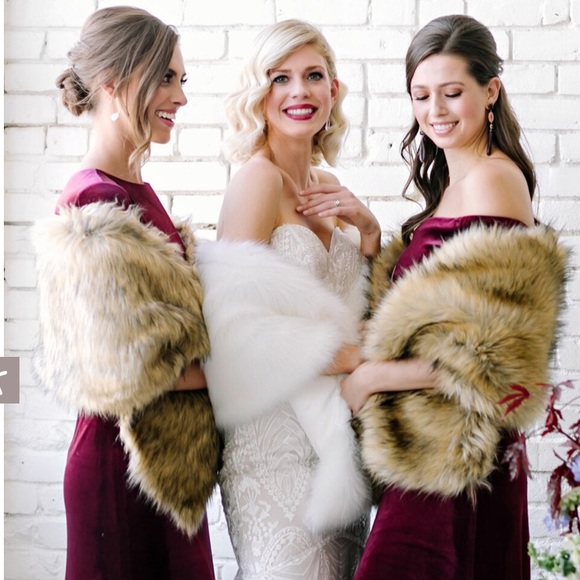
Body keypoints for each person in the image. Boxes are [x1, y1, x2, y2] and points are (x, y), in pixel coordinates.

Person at [339, 14, 569, 580]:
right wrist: (371, 242)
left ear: (490, 92)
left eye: (451, 92)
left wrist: (371, 378)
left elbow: (500, 358)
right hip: (434, 451)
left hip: (461, 454)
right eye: (421, 95)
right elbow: (422, 323)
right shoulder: (454, 186)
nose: (435, 110)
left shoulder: (493, 180)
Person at [31, 7, 220, 579]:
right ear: (114, 83)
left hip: (161, 470)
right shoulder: (94, 202)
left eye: (181, 79)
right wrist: (259, 370)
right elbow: (126, 369)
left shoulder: (135, 191)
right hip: (122, 468)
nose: (180, 96)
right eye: (165, 78)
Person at [195, 19, 380, 579]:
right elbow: (232, 335)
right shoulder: (257, 181)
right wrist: (354, 357)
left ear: (334, 89)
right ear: (259, 92)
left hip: (337, 442)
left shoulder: (328, 187)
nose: (300, 91)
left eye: (313, 76)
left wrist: (369, 233)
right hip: (273, 447)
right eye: (280, 78)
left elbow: (352, 306)